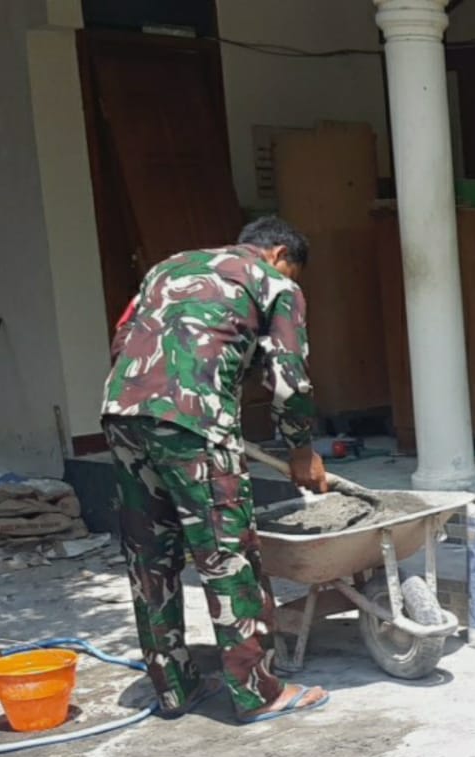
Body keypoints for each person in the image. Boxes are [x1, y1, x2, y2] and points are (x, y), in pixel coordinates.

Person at [101, 216, 333, 720]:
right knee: (228, 555)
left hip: (122, 412)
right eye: (294, 271)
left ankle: (173, 688)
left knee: (150, 556)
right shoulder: (276, 284)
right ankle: (258, 693)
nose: (293, 281)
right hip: (195, 422)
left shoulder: (168, 267)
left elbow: (123, 339)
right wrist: (300, 451)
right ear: (280, 256)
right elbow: (289, 379)